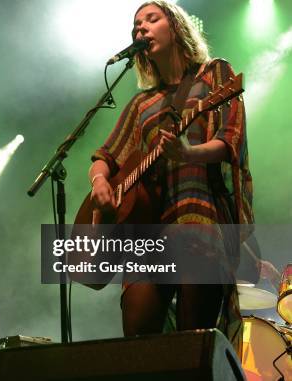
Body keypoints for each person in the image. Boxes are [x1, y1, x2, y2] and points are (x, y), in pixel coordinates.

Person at [88, 1, 253, 354]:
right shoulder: (140, 105)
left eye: (151, 18)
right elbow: (105, 157)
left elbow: (230, 139)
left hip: (199, 220)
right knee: (138, 345)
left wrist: (188, 153)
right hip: (147, 234)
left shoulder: (215, 74)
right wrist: (100, 183)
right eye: (136, 25)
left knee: (194, 346)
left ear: (175, 26)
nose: (140, 29)